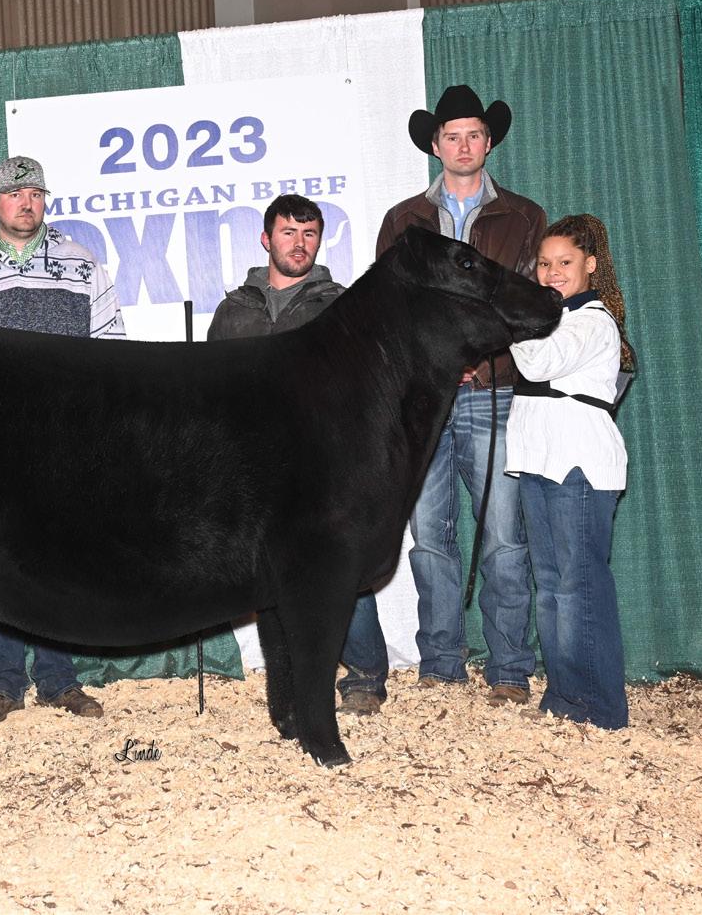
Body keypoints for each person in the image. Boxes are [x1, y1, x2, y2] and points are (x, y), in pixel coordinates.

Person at [350, 84, 547, 705]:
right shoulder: (404, 221)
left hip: (495, 392)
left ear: (489, 143)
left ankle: (509, 668)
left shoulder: (524, 217)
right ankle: (440, 662)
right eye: (452, 137)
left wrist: (477, 355)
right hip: (423, 401)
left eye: (474, 136)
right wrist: (432, 363)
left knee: (504, 535)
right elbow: (389, 308)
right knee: (429, 535)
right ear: (435, 146)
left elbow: (524, 301)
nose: (464, 146)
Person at [0, 154, 121, 723]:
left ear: (45, 200)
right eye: (14, 194)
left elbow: (113, 347)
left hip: (64, 440)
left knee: (57, 561)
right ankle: (3, 683)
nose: (25, 203)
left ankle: (60, 680)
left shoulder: (81, 263)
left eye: (34, 193)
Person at [207, 193, 387, 716]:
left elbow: (366, 385)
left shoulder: (342, 305)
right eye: (288, 233)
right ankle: (288, 685)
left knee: (340, 566)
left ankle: (365, 674)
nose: (299, 243)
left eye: (309, 234)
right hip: (252, 464)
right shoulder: (233, 309)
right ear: (267, 239)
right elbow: (211, 387)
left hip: (323, 461)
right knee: (269, 571)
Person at [508, 215, 634, 729]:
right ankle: (564, 697)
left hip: (578, 464)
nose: (552, 272)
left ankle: (599, 707)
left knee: (578, 585)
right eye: (544, 263)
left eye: (565, 262)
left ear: (591, 265)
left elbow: (538, 366)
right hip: (540, 462)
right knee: (552, 585)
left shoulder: (592, 320)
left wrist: (510, 320)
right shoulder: (555, 318)